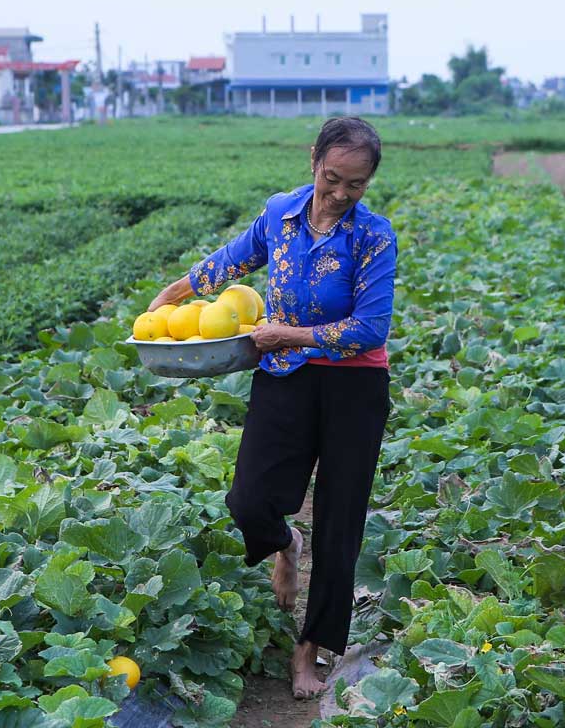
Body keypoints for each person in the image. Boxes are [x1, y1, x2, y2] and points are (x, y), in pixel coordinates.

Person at [148, 116, 396, 698]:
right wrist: (173, 296)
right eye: (331, 178)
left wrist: (289, 335)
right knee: (248, 499)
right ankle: (286, 544)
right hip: (284, 374)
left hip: (354, 385)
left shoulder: (374, 236)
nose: (339, 194)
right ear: (313, 159)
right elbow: (231, 261)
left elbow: (370, 326)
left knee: (340, 521)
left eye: (354, 186)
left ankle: (309, 649)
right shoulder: (280, 214)